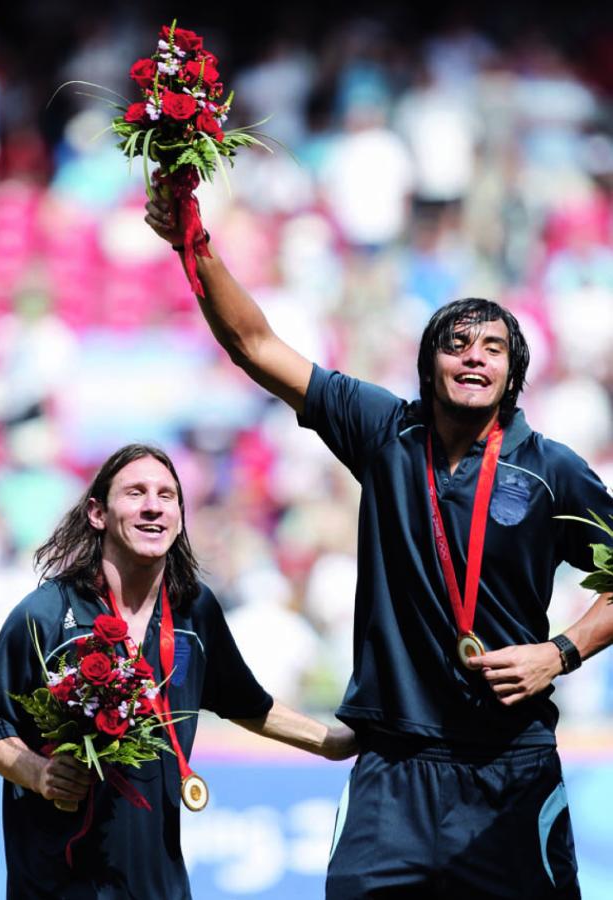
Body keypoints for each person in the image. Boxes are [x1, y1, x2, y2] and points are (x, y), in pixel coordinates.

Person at [143, 196, 613, 900]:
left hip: (508, 763)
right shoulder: (385, 433)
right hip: (391, 767)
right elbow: (256, 346)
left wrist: (559, 652)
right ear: (428, 362)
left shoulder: (550, 471)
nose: (473, 358)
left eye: (491, 348)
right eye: (456, 344)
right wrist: (194, 241)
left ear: (513, 373)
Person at [0, 443, 357, 899]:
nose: (153, 505)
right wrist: (38, 773)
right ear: (97, 513)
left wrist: (333, 743)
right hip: (58, 883)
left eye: (167, 495)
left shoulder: (194, 609)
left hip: (158, 884)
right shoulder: (46, 615)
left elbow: (246, 703)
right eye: (135, 493)